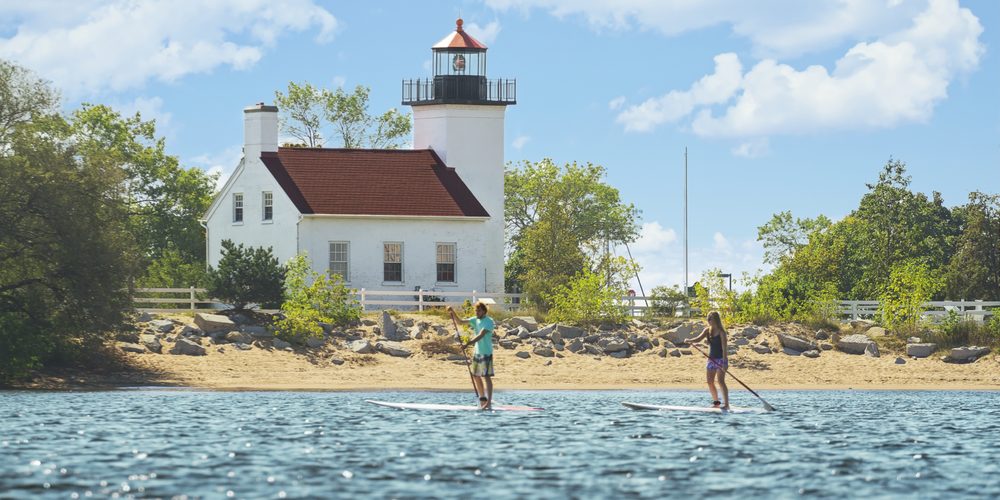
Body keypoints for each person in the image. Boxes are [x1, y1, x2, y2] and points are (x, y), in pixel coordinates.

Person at [447, 302, 495, 409]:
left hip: (486, 352)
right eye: (476, 311)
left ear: (484, 311)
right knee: (475, 375)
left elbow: (481, 335)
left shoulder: (489, 321)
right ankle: (483, 399)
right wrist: (453, 312)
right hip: (477, 352)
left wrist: (468, 343)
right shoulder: (475, 319)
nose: (477, 312)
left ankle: (489, 402)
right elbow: (460, 322)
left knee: (486, 376)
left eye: (479, 311)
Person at [687, 311, 730, 410]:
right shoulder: (707, 330)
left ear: (715, 320)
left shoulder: (721, 332)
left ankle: (726, 405)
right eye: (708, 318)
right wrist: (689, 340)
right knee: (710, 382)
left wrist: (725, 363)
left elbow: (724, 348)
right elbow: (698, 339)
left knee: (721, 381)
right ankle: (716, 403)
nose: (708, 320)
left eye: (710, 319)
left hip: (721, 359)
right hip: (711, 359)